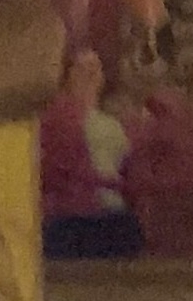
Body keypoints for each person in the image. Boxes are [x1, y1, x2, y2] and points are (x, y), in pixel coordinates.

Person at [37, 48, 144, 260]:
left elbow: (130, 168)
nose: (90, 74)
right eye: (82, 69)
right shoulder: (55, 117)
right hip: (68, 215)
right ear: (67, 75)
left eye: (95, 68)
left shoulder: (116, 122)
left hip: (111, 213)